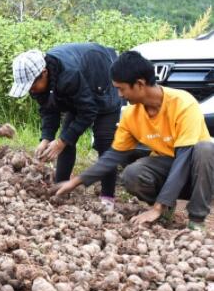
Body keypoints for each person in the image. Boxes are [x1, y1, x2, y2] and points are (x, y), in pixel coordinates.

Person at [54, 51, 214, 231]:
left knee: (205, 149)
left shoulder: (183, 103)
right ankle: (166, 209)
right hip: (169, 167)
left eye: (121, 88)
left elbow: (184, 159)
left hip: (199, 172)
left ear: (139, 84)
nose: (120, 95)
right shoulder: (131, 115)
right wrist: (76, 182)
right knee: (133, 174)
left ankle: (196, 221)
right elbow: (112, 156)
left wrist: (156, 207)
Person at [9, 43, 122, 209]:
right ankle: (61, 190)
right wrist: (47, 137)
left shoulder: (68, 75)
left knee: (104, 142)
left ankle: (107, 198)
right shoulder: (40, 83)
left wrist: (62, 141)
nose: (31, 90)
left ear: (44, 73)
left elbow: (88, 111)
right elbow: (48, 109)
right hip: (81, 87)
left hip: (103, 79)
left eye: (32, 85)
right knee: (66, 138)